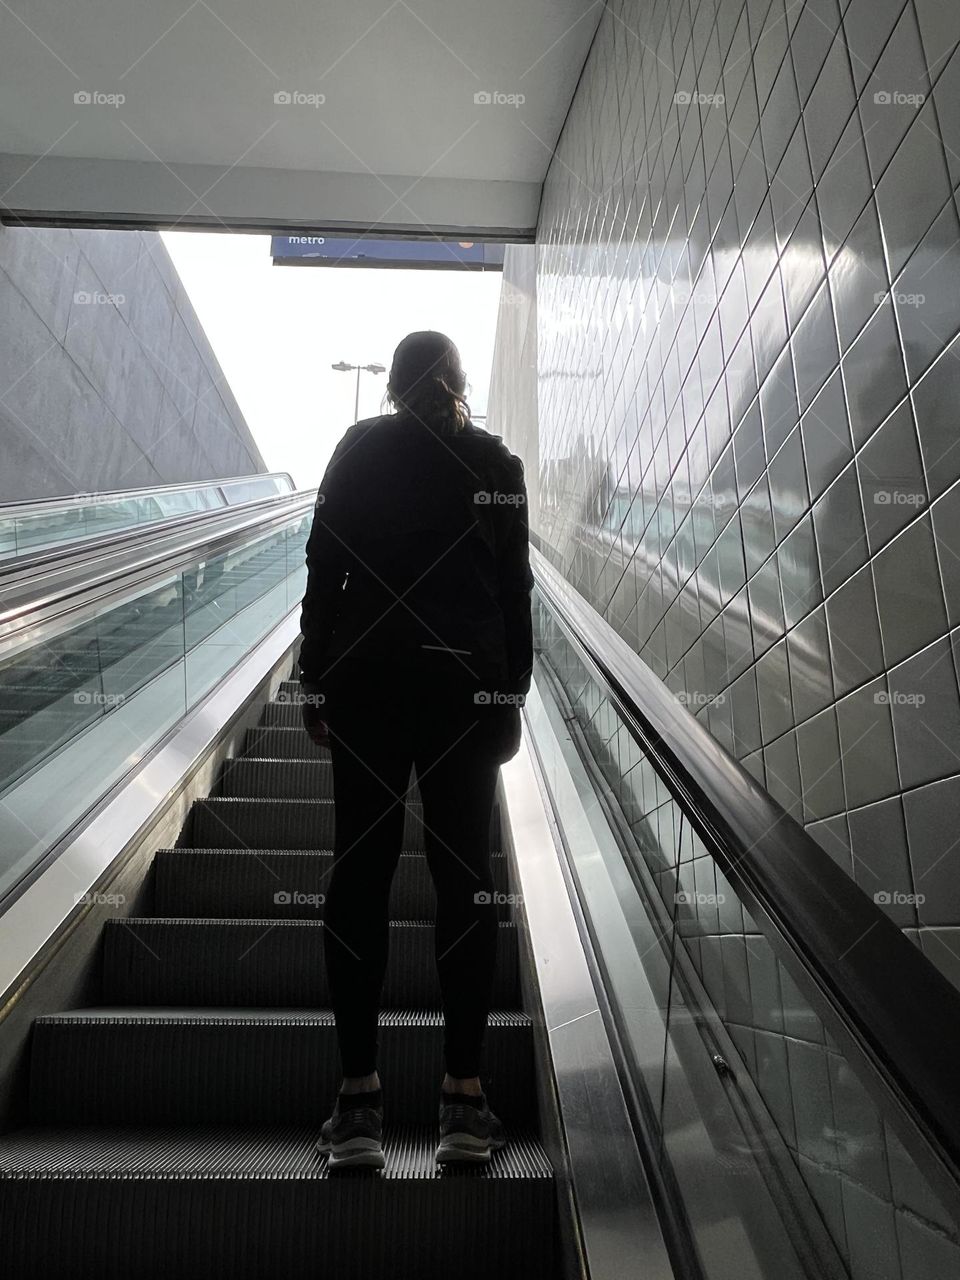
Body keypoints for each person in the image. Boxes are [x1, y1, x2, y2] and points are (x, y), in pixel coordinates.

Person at [297, 330, 533, 1170]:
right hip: (461, 689)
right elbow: (514, 593)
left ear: (394, 388)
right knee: (464, 881)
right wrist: (510, 696)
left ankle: (358, 1105)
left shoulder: (357, 452)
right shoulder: (495, 465)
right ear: (459, 385)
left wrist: (312, 679)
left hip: (367, 685)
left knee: (358, 875)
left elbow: (325, 569)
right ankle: (463, 1106)